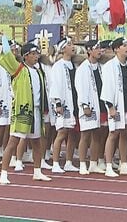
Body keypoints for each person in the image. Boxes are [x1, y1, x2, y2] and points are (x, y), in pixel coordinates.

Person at [0, 37, 52, 184]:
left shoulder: (39, 71)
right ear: (26, 55)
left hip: (37, 110)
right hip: (23, 110)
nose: (36, 56)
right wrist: (4, 40)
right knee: (13, 141)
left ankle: (37, 171)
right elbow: (8, 55)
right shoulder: (19, 69)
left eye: (37, 53)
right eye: (33, 54)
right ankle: (3, 173)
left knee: (36, 142)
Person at [101, 37, 127, 177]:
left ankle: (124, 164)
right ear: (116, 49)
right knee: (113, 133)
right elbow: (107, 87)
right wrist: (110, 106)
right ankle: (109, 165)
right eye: (124, 45)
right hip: (116, 104)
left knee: (126, 134)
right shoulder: (109, 66)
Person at [74, 39, 105, 175]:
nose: (100, 51)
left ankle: (93, 163)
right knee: (85, 135)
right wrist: (84, 105)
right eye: (96, 48)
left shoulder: (100, 67)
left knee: (97, 135)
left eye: (100, 48)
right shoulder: (83, 68)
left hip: (99, 104)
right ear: (89, 51)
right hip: (88, 105)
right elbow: (80, 88)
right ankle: (82, 164)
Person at [48, 37, 79, 173]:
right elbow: (55, 85)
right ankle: (55, 163)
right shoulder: (58, 66)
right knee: (61, 132)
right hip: (64, 103)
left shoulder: (74, 65)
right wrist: (58, 103)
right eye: (69, 45)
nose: (73, 47)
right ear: (63, 49)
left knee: (73, 133)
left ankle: (69, 161)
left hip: (75, 101)